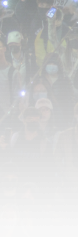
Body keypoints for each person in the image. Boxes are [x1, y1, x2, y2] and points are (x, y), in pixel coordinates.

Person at [54, 102, 78, 237]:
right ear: (75, 115)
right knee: (72, 221)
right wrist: (65, 173)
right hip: (70, 185)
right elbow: (57, 158)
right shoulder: (65, 136)